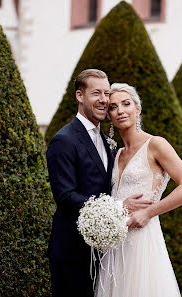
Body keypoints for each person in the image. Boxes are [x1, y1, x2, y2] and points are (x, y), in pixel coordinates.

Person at [46, 70, 149, 297]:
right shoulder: (63, 140)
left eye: (106, 93)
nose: (103, 99)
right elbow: (64, 196)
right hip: (72, 252)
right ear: (79, 96)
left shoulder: (107, 141)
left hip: (105, 253)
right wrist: (118, 206)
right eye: (96, 93)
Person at [95, 83, 182, 297]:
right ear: (110, 116)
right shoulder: (116, 154)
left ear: (137, 109)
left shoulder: (156, 144)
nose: (120, 110)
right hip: (116, 243)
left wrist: (148, 213)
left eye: (126, 104)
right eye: (113, 107)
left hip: (143, 239)